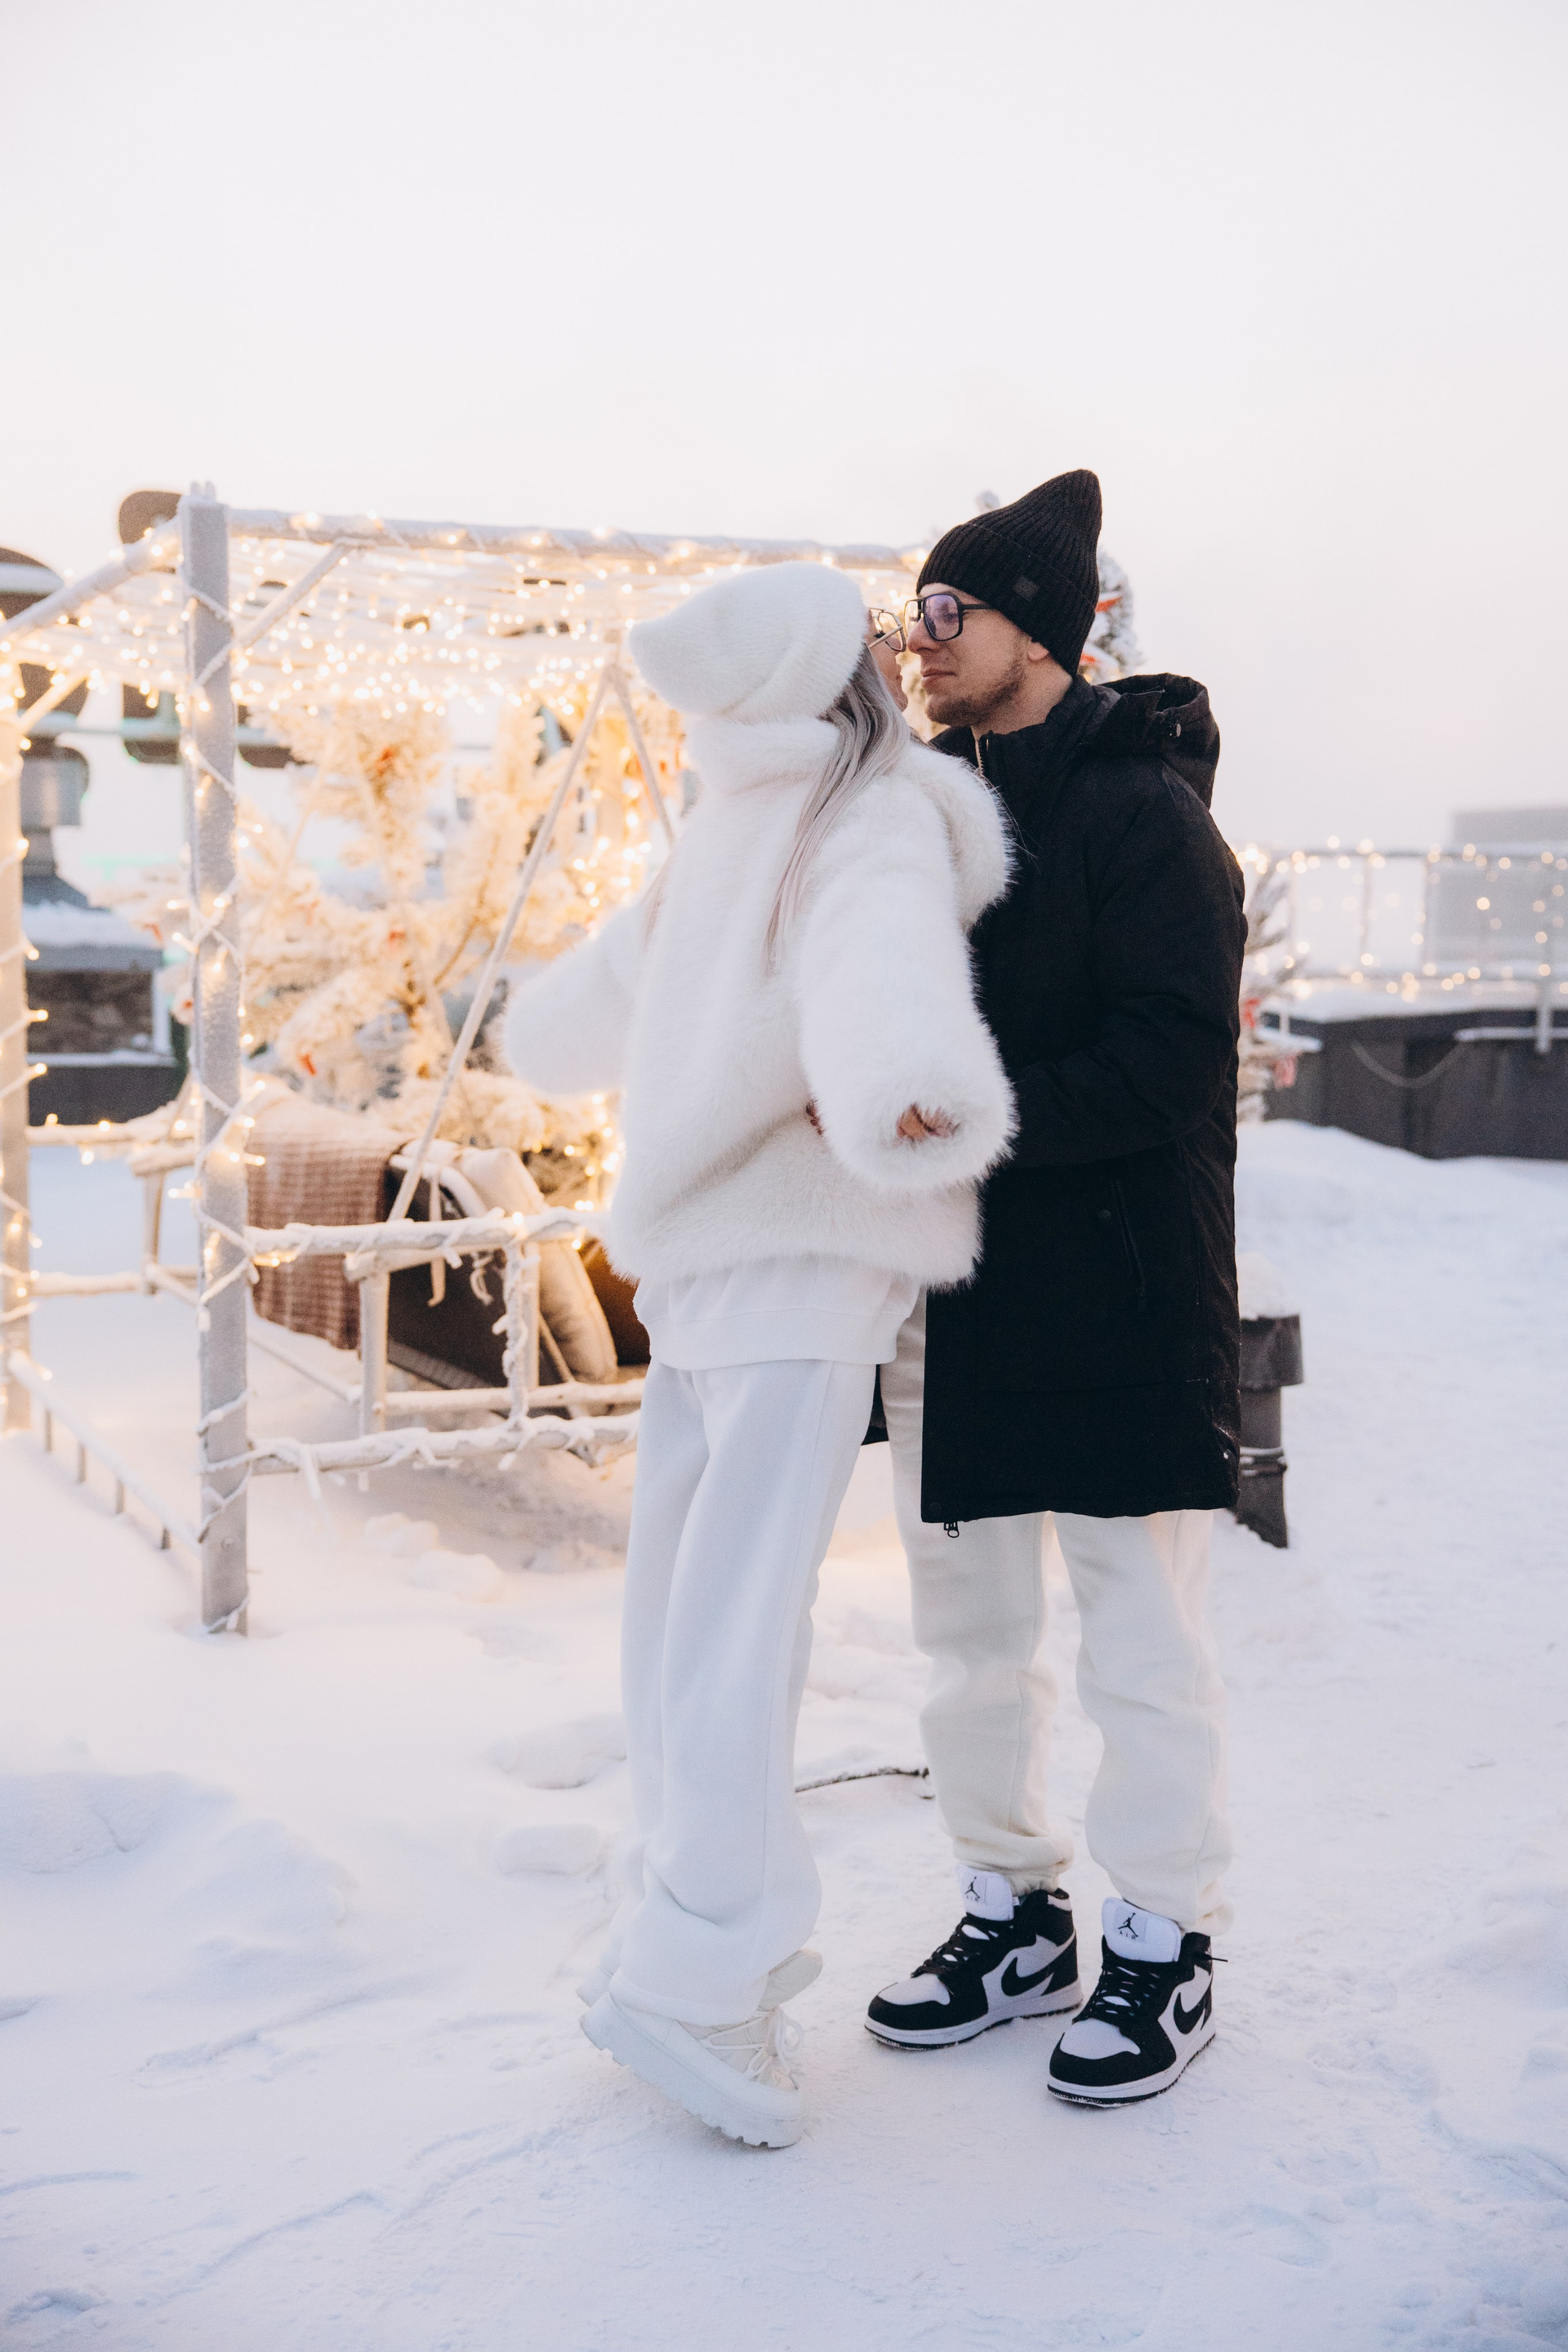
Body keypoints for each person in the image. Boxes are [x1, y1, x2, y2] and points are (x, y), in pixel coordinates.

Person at [505, 560, 1013, 2147]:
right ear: (821, 673)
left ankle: (673, 1925)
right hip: (798, 1260)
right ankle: (702, 1972)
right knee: (739, 1629)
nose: (896, 650)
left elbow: (576, 1019)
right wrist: (911, 1091)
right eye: (871, 636)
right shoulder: (867, 814)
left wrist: (519, 1022)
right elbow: (879, 972)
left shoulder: (720, 832)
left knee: (682, 1619)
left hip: (696, 1277)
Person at [863, 470, 1248, 2108]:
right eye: (916, 611)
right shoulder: (912, 810)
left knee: (1140, 1639)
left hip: (1115, 1293)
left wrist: (967, 1118)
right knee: (968, 1640)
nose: (922, 638)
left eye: (952, 609)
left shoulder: (1146, 810)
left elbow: (1173, 1059)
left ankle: (1168, 1933)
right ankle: (1013, 1913)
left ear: (1044, 628)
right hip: (951, 1292)